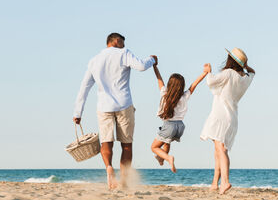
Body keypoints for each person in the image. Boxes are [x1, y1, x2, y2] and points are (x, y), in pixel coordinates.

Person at [73, 33, 157, 189]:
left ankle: (109, 168)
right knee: (126, 145)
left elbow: (84, 88)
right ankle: (124, 180)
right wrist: (152, 59)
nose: (124, 46)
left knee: (106, 142)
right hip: (124, 105)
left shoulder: (94, 60)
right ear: (116, 41)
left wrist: (77, 113)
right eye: (122, 43)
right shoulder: (123, 53)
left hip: (103, 106)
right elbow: (141, 66)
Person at [200, 48, 255, 194]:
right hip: (232, 118)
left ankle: (225, 182)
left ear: (230, 59)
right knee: (218, 150)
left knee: (221, 150)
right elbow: (253, 72)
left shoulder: (229, 73)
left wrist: (208, 71)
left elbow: (210, 81)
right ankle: (214, 183)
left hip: (220, 116)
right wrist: (245, 65)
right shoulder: (245, 78)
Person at [151, 64, 209, 172]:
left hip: (169, 125)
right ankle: (161, 158)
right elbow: (194, 84)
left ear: (169, 84)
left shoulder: (165, 94)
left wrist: (155, 67)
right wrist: (205, 73)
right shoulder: (184, 96)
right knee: (166, 143)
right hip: (180, 126)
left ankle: (168, 158)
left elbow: (159, 80)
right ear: (181, 86)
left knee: (154, 147)